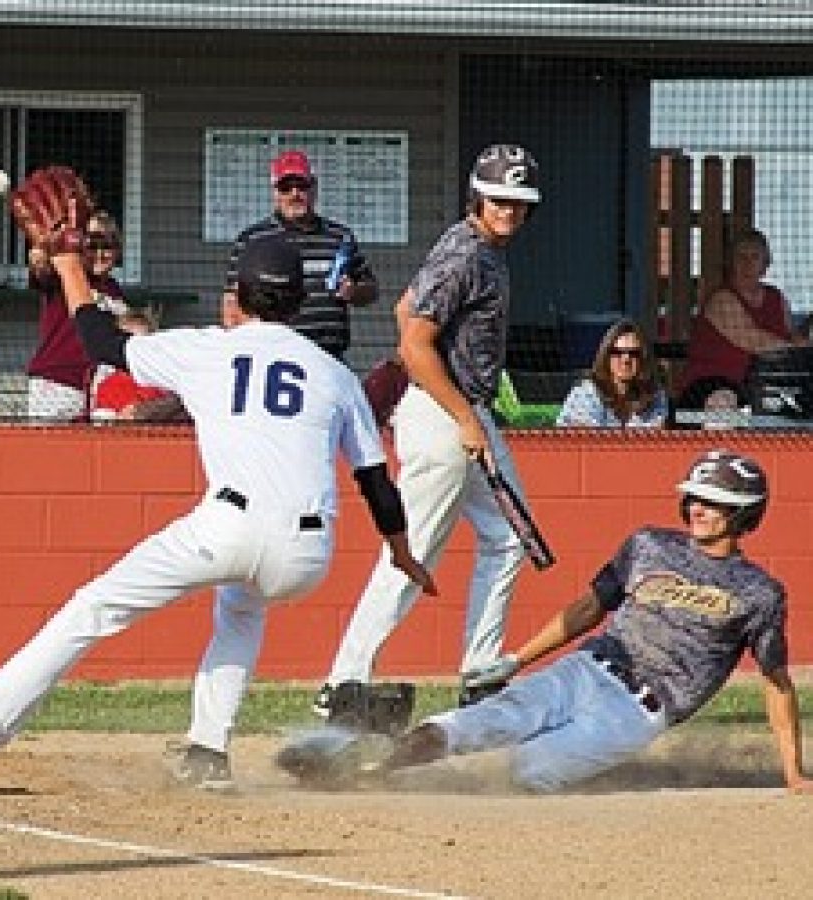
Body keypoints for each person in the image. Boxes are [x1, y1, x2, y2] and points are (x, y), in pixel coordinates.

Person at [0, 183, 434, 789]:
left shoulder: (207, 351)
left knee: (95, 606)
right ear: (298, 302)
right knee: (241, 610)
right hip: (306, 554)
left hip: (230, 526)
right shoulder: (333, 373)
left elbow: (100, 342)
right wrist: (401, 553)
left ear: (239, 296)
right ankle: (208, 753)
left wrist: (66, 264)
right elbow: (377, 484)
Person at [285, 450, 813, 796]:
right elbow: (588, 608)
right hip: (587, 667)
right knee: (478, 722)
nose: (698, 508)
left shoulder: (757, 592)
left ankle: (424, 783)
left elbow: (775, 683)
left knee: (531, 771)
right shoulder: (649, 544)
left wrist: (792, 771)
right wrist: (516, 659)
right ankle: (367, 766)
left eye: (714, 502)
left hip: (640, 710)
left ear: (743, 514)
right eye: (694, 497)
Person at [313, 144, 542, 720]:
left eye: (518, 201)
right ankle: (344, 682)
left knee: (510, 536)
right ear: (478, 196)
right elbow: (413, 341)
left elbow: (403, 307)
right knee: (412, 555)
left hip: (462, 410)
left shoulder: (472, 246)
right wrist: (464, 417)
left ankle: (480, 674)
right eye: (499, 199)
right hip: (446, 416)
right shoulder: (467, 255)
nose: (509, 210)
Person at [220, 150, 378, 360]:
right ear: (275, 192)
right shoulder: (253, 239)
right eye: (286, 187)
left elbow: (370, 289)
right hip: (272, 355)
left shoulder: (340, 237)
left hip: (328, 355)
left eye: (302, 186)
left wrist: (353, 291)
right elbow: (232, 301)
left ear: (314, 188)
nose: (295, 194)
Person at [679, 228, 809, 411]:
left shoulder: (777, 298)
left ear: (765, 265)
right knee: (726, 405)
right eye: (741, 257)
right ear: (730, 263)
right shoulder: (721, 299)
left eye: (754, 257)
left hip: (763, 390)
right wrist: (801, 351)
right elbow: (756, 341)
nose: (747, 264)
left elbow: (793, 337)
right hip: (711, 388)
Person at [26, 210, 127, 421]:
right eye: (92, 246)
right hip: (56, 380)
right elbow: (41, 268)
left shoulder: (114, 290)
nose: (100, 254)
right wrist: (42, 248)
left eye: (107, 246)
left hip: (94, 387)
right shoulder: (66, 276)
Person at [556, 318, 668, 427]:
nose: (625, 360)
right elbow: (586, 441)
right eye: (617, 352)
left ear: (643, 357)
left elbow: (654, 441)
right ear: (606, 356)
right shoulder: (587, 393)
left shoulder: (655, 396)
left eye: (633, 353)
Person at [87, 309, 186, 423]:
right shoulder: (106, 386)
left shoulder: (165, 381)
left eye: (142, 343)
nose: (135, 351)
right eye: (128, 343)